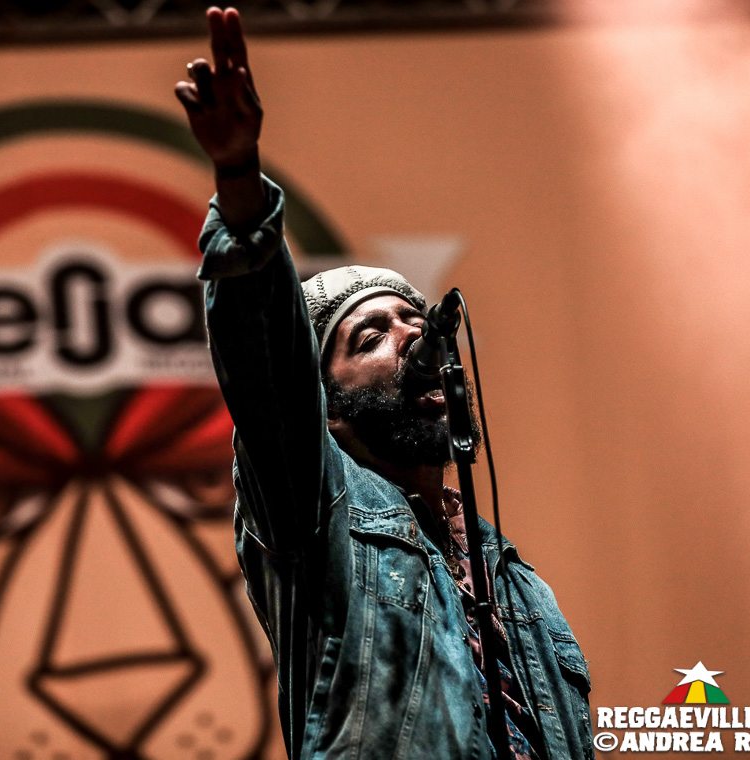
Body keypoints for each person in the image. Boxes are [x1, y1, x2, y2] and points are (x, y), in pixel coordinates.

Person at [174, 7, 594, 758]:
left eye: (415, 320)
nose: (412, 338)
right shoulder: (321, 516)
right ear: (327, 409)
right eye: (370, 337)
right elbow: (267, 368)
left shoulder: (518, 583)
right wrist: (239, 181)